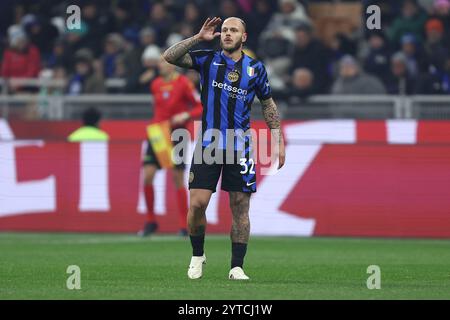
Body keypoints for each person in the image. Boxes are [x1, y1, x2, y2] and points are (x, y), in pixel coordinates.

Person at [163, 17, 286, 280]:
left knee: (240, 206)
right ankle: (198, 255)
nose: (228, 34)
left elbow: (268, 104)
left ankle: (237, 267)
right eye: (225, 30)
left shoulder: (255, 69)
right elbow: (170, 57)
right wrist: (198, 37)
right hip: (208, 144)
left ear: (244, 37)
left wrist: (278, 138)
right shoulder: (208, 60)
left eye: (234, 31)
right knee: (197, 204)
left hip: (240, 147)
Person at [139, 57, 203, 237]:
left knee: (177, 177)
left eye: (165, 62)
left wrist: (185, 115)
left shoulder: (184, 83)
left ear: (173, 66)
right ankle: (151, 221)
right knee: (147, 176)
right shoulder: (156, 84)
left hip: (177, 135)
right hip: (158, 134)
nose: (161, 65)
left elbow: (200, 106)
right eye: (159, 62)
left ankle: (185, 224)